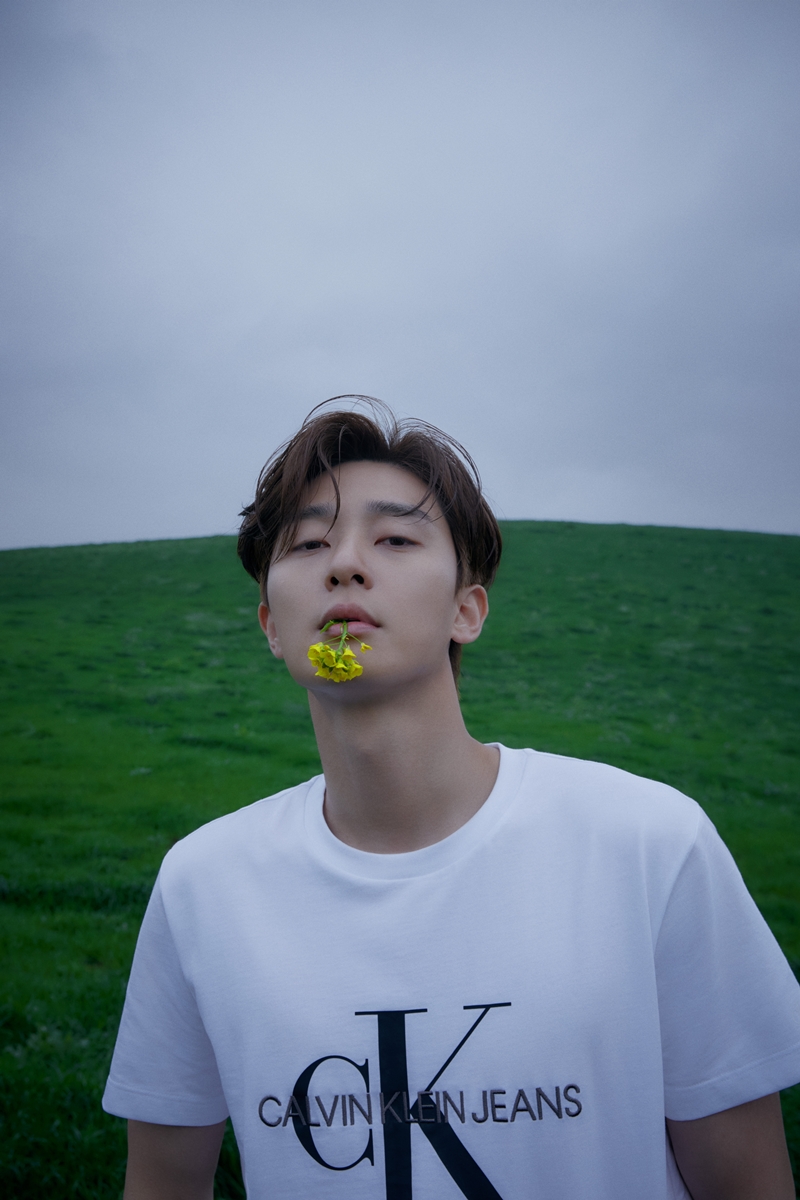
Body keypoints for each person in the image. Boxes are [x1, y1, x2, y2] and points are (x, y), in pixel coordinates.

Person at [104, 398, 800, 1199]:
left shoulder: (649, 843)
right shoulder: (203, 885)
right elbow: (161, 1183)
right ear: (271, 624)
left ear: (466, 611)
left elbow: (747, 1180)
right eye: (308, 543)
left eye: (395, 539)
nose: (345, 564)